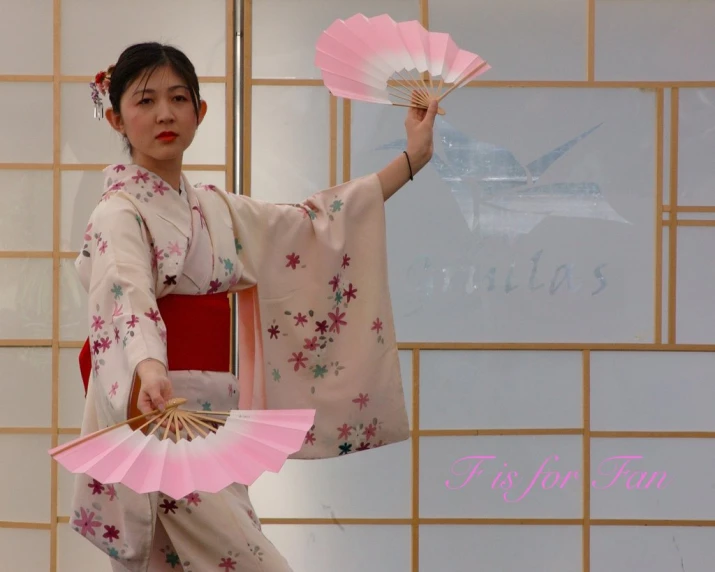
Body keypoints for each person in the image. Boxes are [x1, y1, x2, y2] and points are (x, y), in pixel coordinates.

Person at [70, 41, 437, 572]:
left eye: (178, 98)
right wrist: (149, 365)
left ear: (201, 112)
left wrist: (412, 159)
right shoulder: (118, 213)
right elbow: (126, 295)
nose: (165, 114)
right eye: (145, 101)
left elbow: (316, 224)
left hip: (216, 420)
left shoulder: (218, 210)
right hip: (160, 417)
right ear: (115, 118)